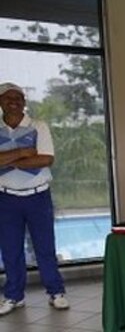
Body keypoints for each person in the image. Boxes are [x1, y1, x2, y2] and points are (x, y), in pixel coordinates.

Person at [0, 82, 69, 316]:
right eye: (8, 98)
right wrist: (22, 152)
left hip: (38, 196)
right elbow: (32, 157)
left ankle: (56, 292)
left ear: (24, 102)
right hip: (6, 199)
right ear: (0, 102)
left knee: (45, 247)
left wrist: (5, 160)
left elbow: (45, 159)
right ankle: (13, 296)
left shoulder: (39, 126)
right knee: (10, 250)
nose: (14, 102)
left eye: (18, 98)